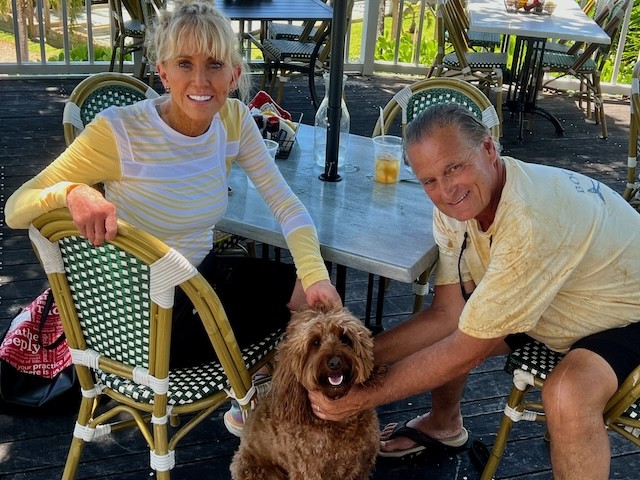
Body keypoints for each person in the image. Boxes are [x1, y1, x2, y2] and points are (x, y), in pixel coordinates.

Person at [5, 0, 341, 435]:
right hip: (140, 320)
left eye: (214, 64)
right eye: (185, 64)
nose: (200, 81)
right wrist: (72, 192)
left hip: (200, 281)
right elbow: (16, 207)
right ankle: (262, 396)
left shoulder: (234, 119)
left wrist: (315, 275)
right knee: (297, 316)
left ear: (234, 74)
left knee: (309, 297)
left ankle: (260, 393)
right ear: (163, 72)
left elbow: (286, 204)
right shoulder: (120, 131)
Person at [308, 103, 640, 479]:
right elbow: (448, 314)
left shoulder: (528, 218)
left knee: (567, 393)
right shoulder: (455, 209)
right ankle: (444, 424)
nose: (446, 190)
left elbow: (467, 349)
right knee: (466, 317)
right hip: (556, 302)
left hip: (624, 315)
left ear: (488, 148)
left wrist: (363, 396)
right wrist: (349, 362)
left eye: (454, 167)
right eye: (429, 180)